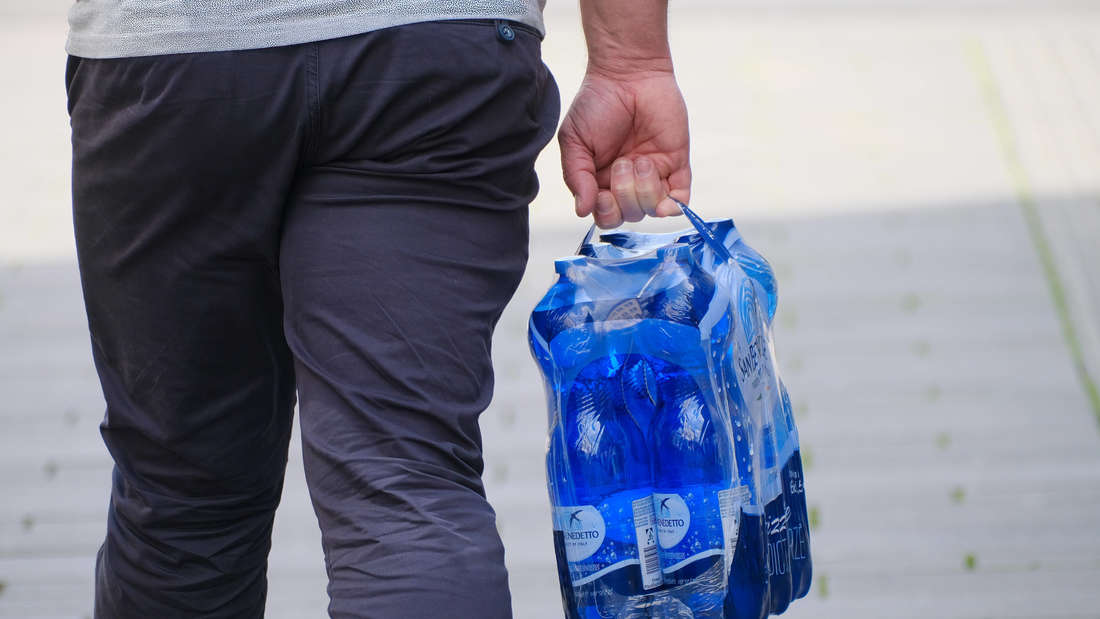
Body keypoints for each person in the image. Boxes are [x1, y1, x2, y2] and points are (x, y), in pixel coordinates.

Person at [65, 0, 690, 616]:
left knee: (185, 503)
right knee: (404, 483)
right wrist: (630, 61)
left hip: (175, 56)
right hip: (434, 54)